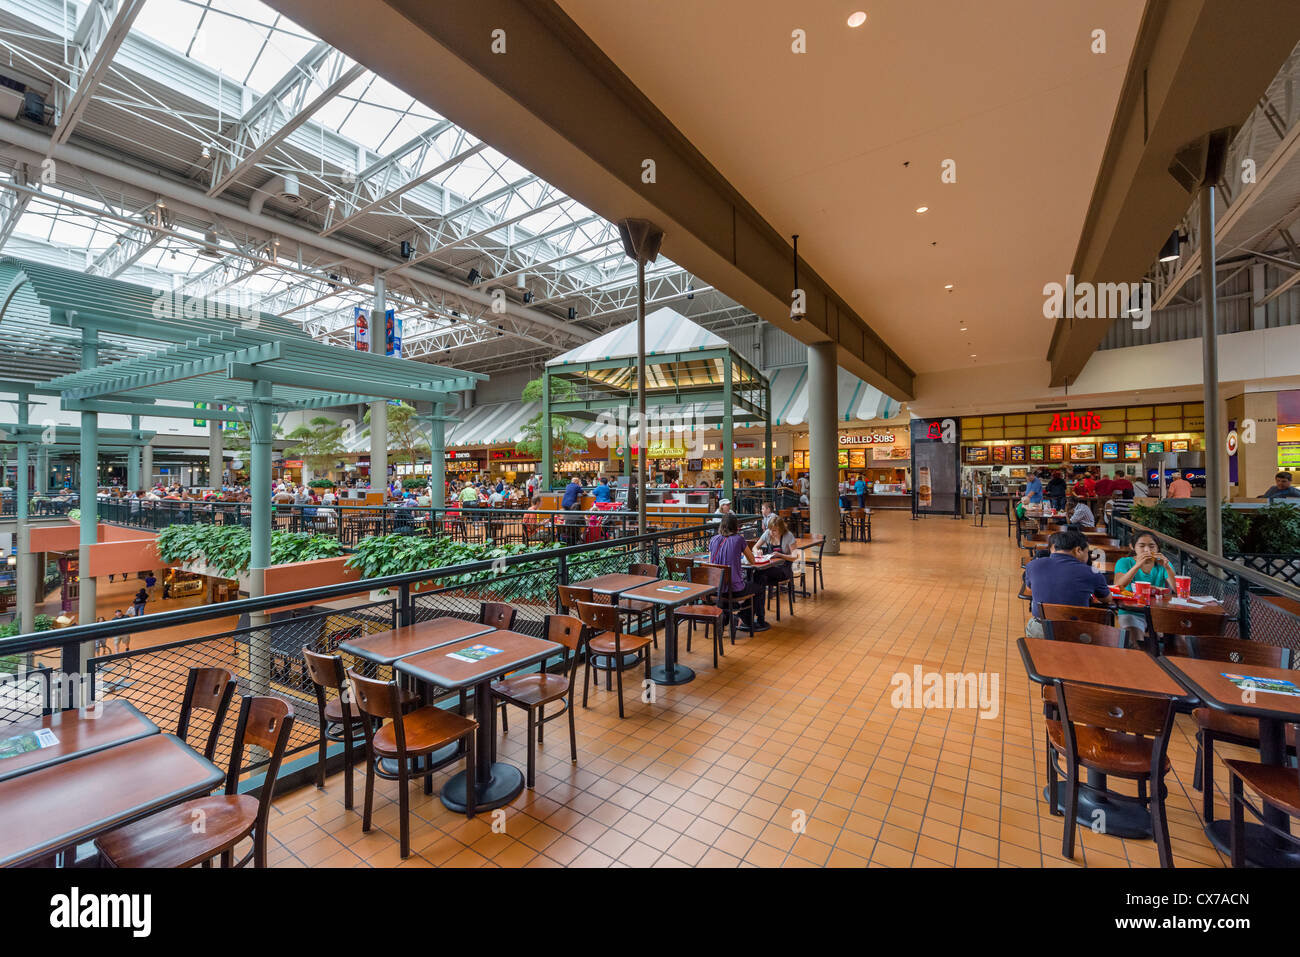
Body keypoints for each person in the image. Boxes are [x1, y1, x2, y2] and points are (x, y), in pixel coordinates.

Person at [1022, 529, 1110, 637]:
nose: (1088, 556)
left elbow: (1029, 589)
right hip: (1076, 632)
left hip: (1041, 629)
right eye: (1087, 552)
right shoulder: (1092, 572)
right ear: (1078, 550)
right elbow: (1106, 599)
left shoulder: (1033, 565)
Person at [709, 512, 767, 632]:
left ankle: (729, 616)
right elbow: (752, 560)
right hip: (734, 590)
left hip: (716, 590)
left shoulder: (713, 539)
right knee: (759, 587)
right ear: (736, 526)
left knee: (742, 584)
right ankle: (747, 618)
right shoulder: (738, 539)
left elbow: (711, 564)